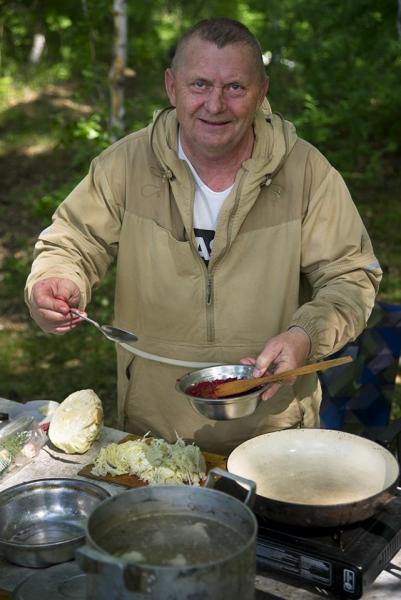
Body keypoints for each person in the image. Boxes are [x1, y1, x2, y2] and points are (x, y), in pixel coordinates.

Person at [25, 17, 382, 455]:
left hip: (276, 434)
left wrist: (306, 335)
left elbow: (352, 276)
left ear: (261, 92)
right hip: (152, 436)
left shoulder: (308, 172)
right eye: (199, 85)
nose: (215, 104)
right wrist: (57, 280)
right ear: (171, 87)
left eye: (235, 87)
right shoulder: (125, 165)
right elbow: (72, 241)